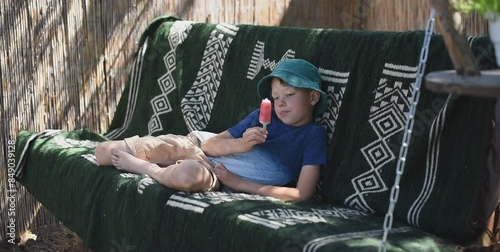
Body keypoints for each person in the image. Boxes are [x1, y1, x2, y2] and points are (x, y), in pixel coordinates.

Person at [95, 58, 328, 201]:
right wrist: (241, 144)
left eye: (290, 95)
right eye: (276, 97)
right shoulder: (260, 117)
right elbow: (209, 145)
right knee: (104, 152)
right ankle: (158, 164)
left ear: (313, 97)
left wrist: (238, 183)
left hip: (217, 176)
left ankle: (148, 169)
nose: (281, 103)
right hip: (193, 145)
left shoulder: (313, 135)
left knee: (187, 175)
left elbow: (302, 194)